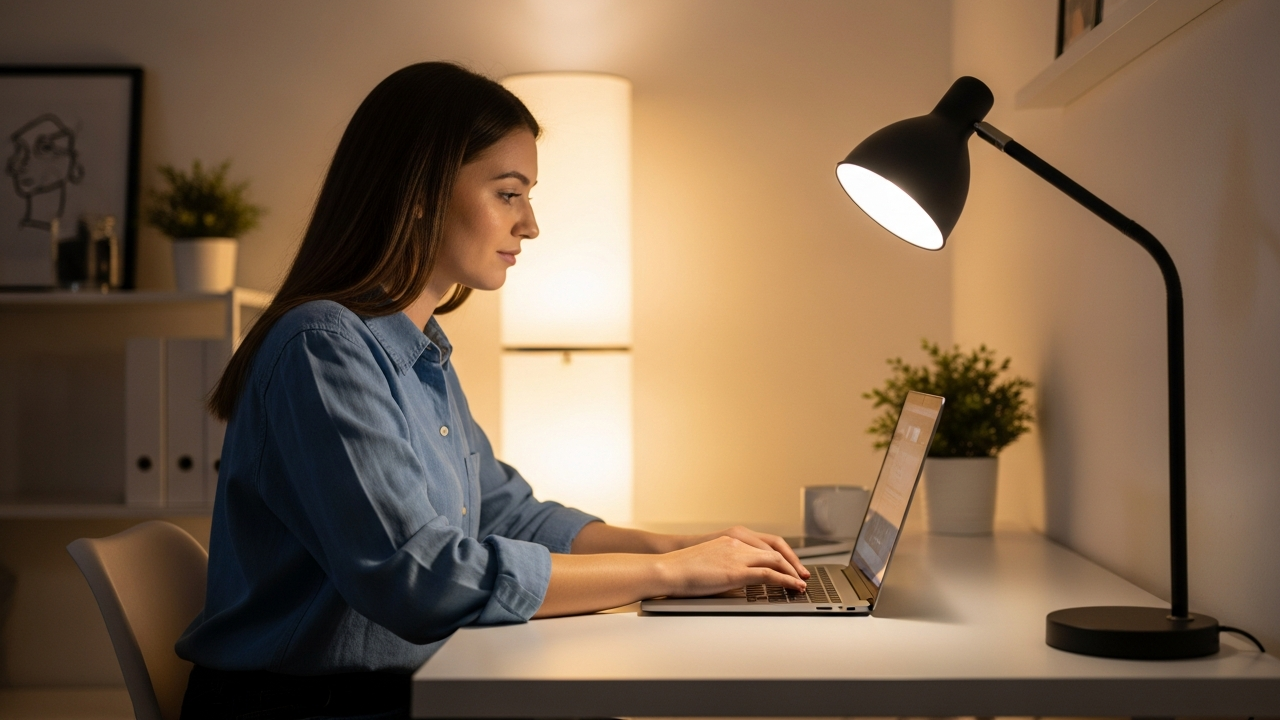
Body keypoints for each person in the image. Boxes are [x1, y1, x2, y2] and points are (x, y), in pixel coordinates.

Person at [175, 62, 808, 720]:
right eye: (509, 193)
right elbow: (419, 577)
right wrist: (670, 576)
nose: (530, 225)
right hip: (309, 705)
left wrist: (680, 549)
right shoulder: (324, 348)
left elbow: (508, 515)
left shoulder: (421, 358)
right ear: (418, 192)